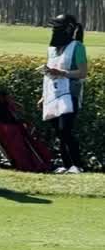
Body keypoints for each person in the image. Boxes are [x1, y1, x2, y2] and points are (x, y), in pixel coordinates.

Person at [40, 14, 88, 174]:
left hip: (70, 94)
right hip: (53, 95)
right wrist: (43, 96)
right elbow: (49, 75)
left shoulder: (77, 47)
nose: (54, 31)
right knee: (59, 133)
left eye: (57, 28)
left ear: (68, 29)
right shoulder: (51, 50)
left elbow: (82, 73)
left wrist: (62, 73)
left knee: (65, 130)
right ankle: (67, 166)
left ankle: (77, 165)